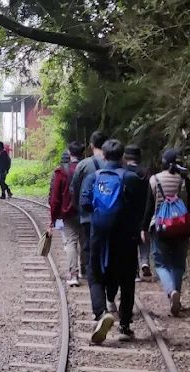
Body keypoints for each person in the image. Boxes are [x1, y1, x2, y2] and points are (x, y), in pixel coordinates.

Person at [79, 140, 148, 344]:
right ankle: (125, 326)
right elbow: (141, 206)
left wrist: (99, 216)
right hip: (126, 237)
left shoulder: (93, 178)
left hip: (99, 235)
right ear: (122, 157)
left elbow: (83, 203)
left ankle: (101, 314)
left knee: (95, 276)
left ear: (104, 156)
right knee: (127, 280)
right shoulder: (132, 178)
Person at [147, 148, 190, 316]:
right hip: (181, 228)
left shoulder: (154, 180)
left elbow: (149, 208)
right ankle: (177, 295)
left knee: (161, 263)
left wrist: (143, 228)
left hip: (160, 228)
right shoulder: (184, 180)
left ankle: (170, 292)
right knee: (178, 264)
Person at [70, 131, 109, 311]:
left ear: (92, 145)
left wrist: (80, 209)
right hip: (111, 216)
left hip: (88, 216)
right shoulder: (114, 163)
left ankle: (90, 273)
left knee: (89, 247)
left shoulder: (84, 165)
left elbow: (75, 189)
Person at [49, 142, 84, 287]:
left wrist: (53, 218)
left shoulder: (61, 172)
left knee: (71, 242)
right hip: (86, 212)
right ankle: (86, 271)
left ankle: (74, 274)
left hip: (68, 212)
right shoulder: (88, 168)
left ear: (70, 153)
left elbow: (55, 198)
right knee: (85, 241)